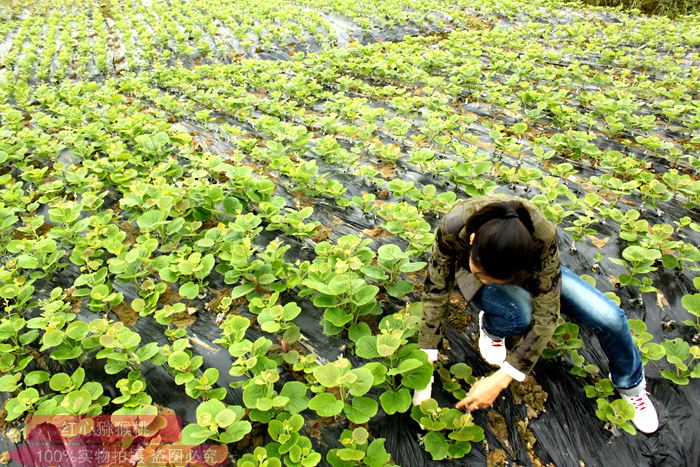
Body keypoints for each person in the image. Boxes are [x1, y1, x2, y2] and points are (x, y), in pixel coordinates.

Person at [412, 193, 659, 434]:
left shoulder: (541, 236)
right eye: (484, 275)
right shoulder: (454, 227)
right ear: (473, 239)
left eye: (494, 279)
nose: (488, 282)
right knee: (518, 315)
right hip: (472, 268)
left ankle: (631, 387)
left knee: (610, 317)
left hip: (526, 269)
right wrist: (425, 369)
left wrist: (502, 377)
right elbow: (436, 292)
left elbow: (548, 314)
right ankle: (492, 328)